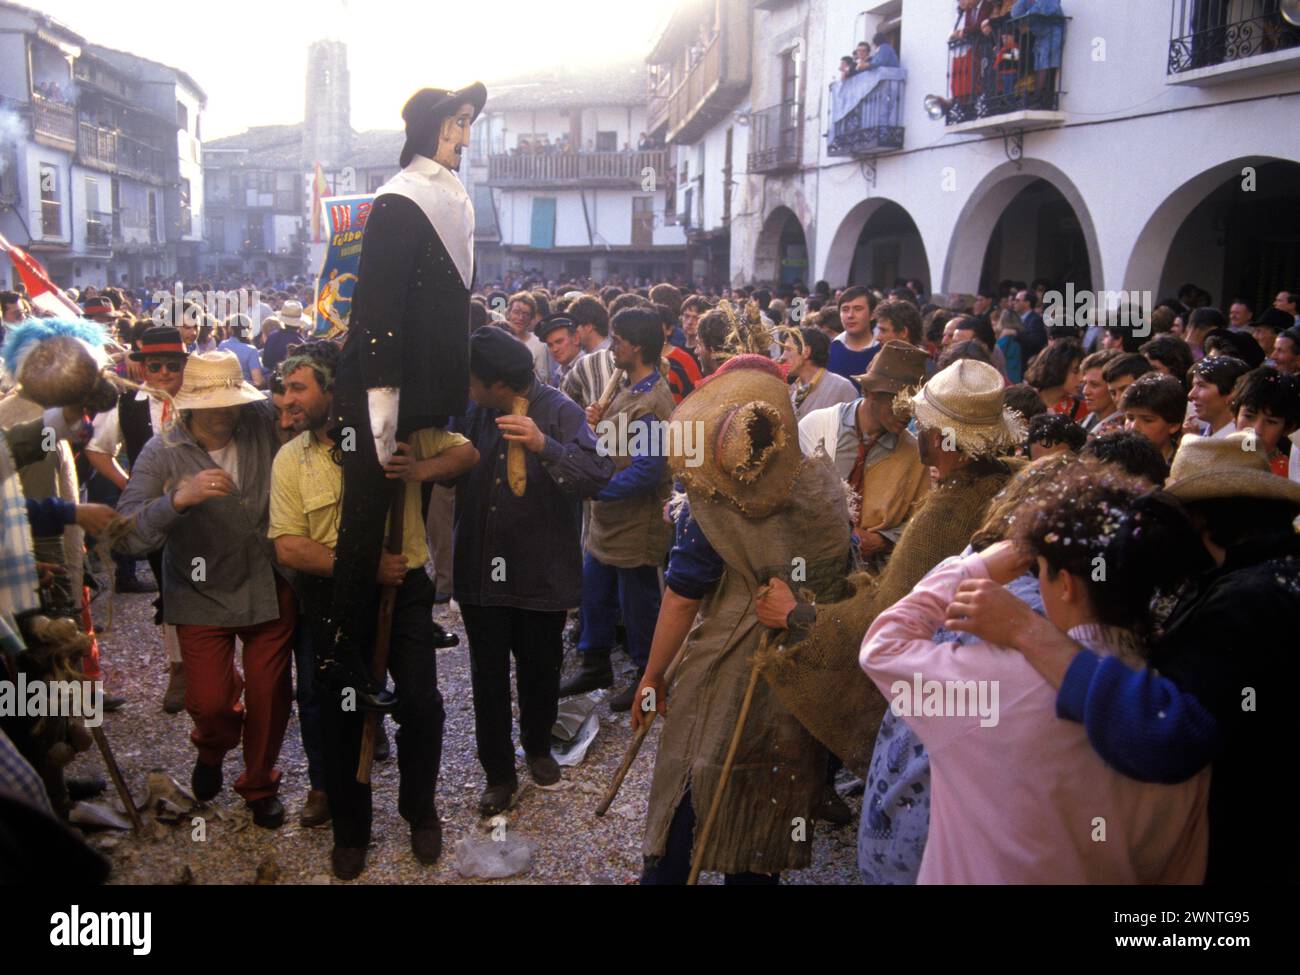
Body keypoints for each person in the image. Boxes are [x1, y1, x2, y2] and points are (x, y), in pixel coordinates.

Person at [944, 433, 1300, 884]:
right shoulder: (1271, 578)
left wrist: (1025, 631)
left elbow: (1164, 735)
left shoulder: (1248, 600)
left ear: (1201, 522)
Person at [863, 461, 1210, 882]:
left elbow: (883, 647)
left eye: (1040, 569)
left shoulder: (990, 686)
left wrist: (974, 566)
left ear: (1064, 584)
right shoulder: (1175, 714)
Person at [637, 356, 853, 884]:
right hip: (797, 670)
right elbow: (843, 579)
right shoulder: (824, 489)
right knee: (768, 789)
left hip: (725, 670)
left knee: (692, 775)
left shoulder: (712, 503)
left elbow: (683, 598)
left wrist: (651, 676)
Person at [269, 342, 476, 879]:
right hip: (333, 599)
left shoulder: (393, 434)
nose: (285, 399)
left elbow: (467, 453)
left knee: (421, 704)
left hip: (403, 591)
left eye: (298, 388)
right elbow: (289, 546)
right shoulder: (291, 459)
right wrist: (358, 568)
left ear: (333, 391)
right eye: (283, 388)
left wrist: (418, 469)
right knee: (340, 712)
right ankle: (351, 831)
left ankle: (420, 812)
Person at [326, 83, 485, 711]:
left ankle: (399, 636)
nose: (467, 137)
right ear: (431, 129)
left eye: (470, 123)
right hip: (375, 393)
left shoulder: (447, 196)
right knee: (364, 522)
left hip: (418, 393)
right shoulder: (398, 201)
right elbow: (380, 314)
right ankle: (347, 662)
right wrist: (381, 408)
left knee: (406, 518)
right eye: (458, 123)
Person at [115, 352, 294, 829]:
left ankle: (259, 783)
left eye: (229, 399)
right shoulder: (161, 451)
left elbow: (304, 414)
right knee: (211, 701)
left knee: (271, 692)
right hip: (199, 591)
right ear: (188, 404)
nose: (222, 410)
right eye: (210, 401)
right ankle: (213, 747)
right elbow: (125, 533)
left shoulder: (259, 422)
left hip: (266, 581)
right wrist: (178, 499)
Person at [453, 327, 613, 816]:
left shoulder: (560, 410)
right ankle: (498, 773)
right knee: (487, 676)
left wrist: (546, 445)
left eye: (473, 380)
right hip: (483, 567)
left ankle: (539, 748)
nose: (467, 386)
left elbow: (596, 477)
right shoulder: (470, 410)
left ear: (499, 384)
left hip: (541, 569)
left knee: (541, 669)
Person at [559, 308, 675, 710]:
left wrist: (596, 490)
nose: (612, 349)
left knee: (638, 603)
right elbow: (610, 444)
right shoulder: (626, 387)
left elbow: (646, 471)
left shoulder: (654, 402)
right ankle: (595, 663)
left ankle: (648, 675)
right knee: (595, 593)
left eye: (618, 341)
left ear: (637, 346)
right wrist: (596, 423)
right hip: (607, 521)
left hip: (634, 522)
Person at [84, 325, 189, 710]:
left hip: (204, 509)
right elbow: (97, 450)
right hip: (155, 516)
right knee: (169, 587)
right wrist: (134, 486)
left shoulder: (204, 400)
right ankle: (179, 669)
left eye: (173, 365)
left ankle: (216, 668)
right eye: (156, 365)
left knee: (214, 583)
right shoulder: (124, 404)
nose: (164, 374)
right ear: (143, 368)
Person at [798, 341, 930, 567]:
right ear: (869, 392)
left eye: (912, 405)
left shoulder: (915, 457)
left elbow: (922, 523)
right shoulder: (816, 428)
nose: (905, 414)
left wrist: (882, 540)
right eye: (896, 404)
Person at [1229, 366, 1299, 478]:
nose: (1256, 430)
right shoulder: (1215, 459)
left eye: (1271, 422)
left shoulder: (1288, 478)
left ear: (1288, 428)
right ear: (1235, 415)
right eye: (1248, 416)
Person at [780, 326, 858, 420]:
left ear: (806, 352)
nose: (783, 357)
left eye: (788, 349)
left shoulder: (842, 388)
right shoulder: (790, 390)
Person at [560, 295, 617, 408]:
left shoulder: (600, 360)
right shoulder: (613, 351)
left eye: (574, 327)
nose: (571, 333)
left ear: (588, 327)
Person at [1119, 372, 1185, 464]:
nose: (1134, 427)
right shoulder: (1114, 462)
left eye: (1147, 420)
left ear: (1173, 426)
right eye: (1130, 418)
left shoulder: (1183, 466)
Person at [1186, 355, 1249, 438]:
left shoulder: (1243, 443)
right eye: (1193, 386)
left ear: (1232, 393)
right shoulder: (1199, 435)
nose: (1191, 394)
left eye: (1201, 386)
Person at [827, 287, 877, 380]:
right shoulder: (828, 349)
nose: (850, 315)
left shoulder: (884, 350)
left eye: (858, 309)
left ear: (872, 314)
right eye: (845, 309)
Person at [1077, 348, 1122, 437]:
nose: (1085, 391)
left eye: (1094, 385)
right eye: (1085, 383)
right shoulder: (1085, 419)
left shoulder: (1120, 430)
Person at [217, 314, 265, 388]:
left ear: (231, 329)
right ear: (248, 330)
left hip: (224, 390)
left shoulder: (222, 345)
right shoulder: (251, 350)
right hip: (245, 393)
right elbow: (258, 381)